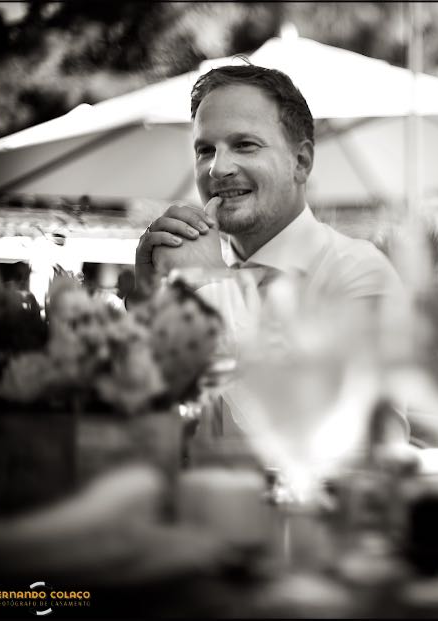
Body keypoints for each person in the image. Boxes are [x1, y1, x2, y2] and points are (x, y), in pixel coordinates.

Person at [132, 63, 408, 444]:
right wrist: (149, 307)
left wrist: (213, 290)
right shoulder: (191, 277)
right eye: (205, 150)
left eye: (245, 145)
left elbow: (366, 441)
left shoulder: (359, 272)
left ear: (301, 162)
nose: (217, 168)